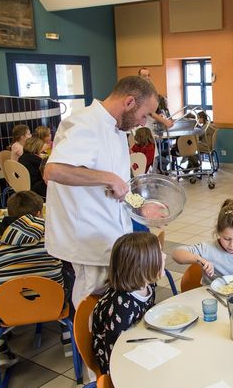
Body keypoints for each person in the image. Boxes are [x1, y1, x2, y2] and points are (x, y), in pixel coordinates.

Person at [44, 75, 159, 308]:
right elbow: (54, 171)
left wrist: (139, 205)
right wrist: (107, 177)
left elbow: (119, 186)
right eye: (144, 114)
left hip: (112, 235)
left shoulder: (117, 131)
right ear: (129, 103)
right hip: (87, 239)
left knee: (110, 307)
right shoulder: (85, 123)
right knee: (90, 309)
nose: (144, 122)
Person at [0, 191, 64, 367]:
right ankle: (68, 334)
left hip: (7, 308)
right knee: (70, 275)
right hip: (53, 302)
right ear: (39, 213)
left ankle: (1, 348)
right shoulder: (52, 234)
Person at [92, 232, 164, 375]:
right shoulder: (120, 306)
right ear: (143, 267)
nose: (164, 257)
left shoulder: (148, 286)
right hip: (119, 361)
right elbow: (112, 355)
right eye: (159, 254)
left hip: (139, 342)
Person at [173, 199, 233, 284]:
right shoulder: (207, 248)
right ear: (218, 232)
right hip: (211, 295)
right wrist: (199, 259)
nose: (232, 245)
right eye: (227, 239)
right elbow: (176, 254)